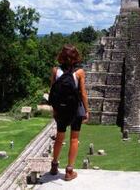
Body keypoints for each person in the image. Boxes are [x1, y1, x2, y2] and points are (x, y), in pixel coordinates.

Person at [49, 44, 90, 181]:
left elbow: (52, 92)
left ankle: (54, 165)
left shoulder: (55, 70)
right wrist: (87, 110)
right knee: (74, 139)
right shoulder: (79, 72)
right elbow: (83, 93)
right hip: (75, 109)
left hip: (60, 109)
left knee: (59, 137)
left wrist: (54, 109)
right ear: (75, 58)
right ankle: (69, 171)